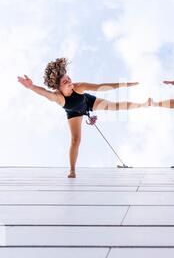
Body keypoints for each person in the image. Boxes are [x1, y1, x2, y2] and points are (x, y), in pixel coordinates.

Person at [18, 57, 150, 178]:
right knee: (76, 140)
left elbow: (100, 87)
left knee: (114, 106)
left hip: (87, 102)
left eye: (68, 78)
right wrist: (31, 87)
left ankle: (143, 104)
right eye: (65, 81)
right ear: (58, 87)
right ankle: (72, 170)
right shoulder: (58, 97)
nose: (69, 81)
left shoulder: (78, 87)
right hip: (73, 112)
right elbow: (46, 93)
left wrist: (123, 85)